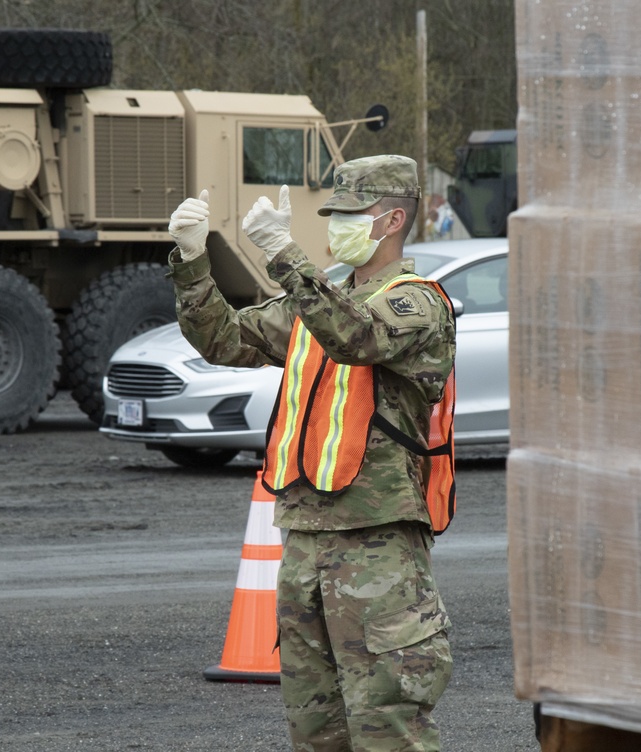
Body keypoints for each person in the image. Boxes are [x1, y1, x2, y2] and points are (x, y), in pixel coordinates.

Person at [167, 155, 456, 752]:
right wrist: (192, 262)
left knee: (388, 728)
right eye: (332, 214)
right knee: (316, 732)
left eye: (350, 214)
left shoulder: (417, 303)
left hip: (378, 543)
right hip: (305, 539)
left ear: (392, 218)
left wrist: (284, 255)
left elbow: (354, 336)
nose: (334, 226)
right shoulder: (318, 299)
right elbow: (223, 338)